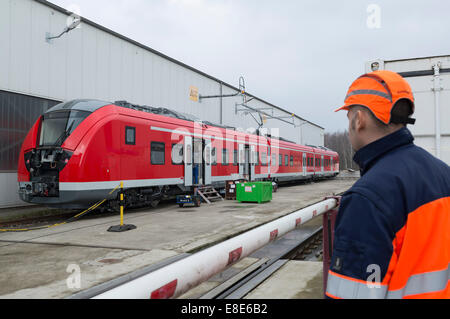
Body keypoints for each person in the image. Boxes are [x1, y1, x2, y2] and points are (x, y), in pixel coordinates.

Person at [327, 70, 450, 299]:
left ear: (358, 119)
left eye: (348, 117)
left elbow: (355, 293)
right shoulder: (443, 173)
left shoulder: (367, 199)